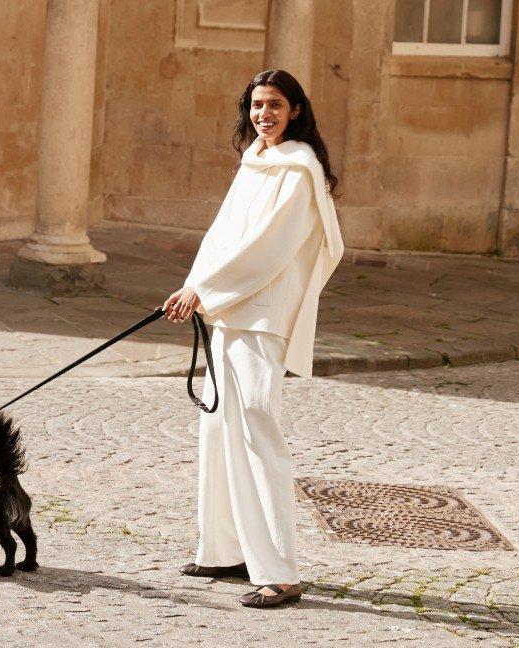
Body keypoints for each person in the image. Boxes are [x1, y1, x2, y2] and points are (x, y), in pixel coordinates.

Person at [162, 69, 344, 609]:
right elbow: (222, 233)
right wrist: (193, 286)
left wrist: (205, 291)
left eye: (275, 105)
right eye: (257, 105)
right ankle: (223, 549)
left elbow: (269, 247)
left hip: (261, 316)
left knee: (260, 434)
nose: (264, 114)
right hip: (228, 310)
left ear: (295, 111)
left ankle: (281, 571)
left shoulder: (299, 168)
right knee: (217, 428)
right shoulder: (256, 161)